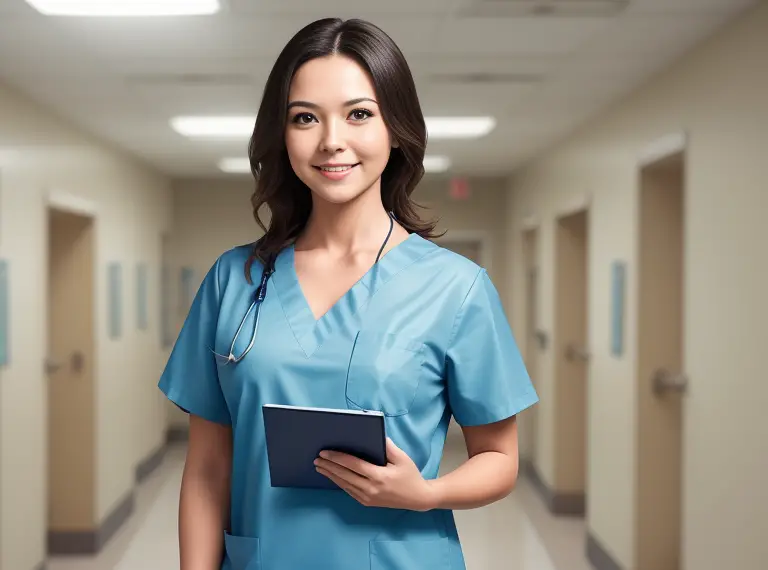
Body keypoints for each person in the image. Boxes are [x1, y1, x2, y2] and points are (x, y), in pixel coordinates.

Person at [158, 17, 538, 570]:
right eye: (305, 118)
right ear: (281, 134)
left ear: (396, 128)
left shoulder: (455, 288)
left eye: (359, 114)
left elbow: (500, 459)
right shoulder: (233, 279)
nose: (331, 140)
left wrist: (425, 493)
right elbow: (208, 470)